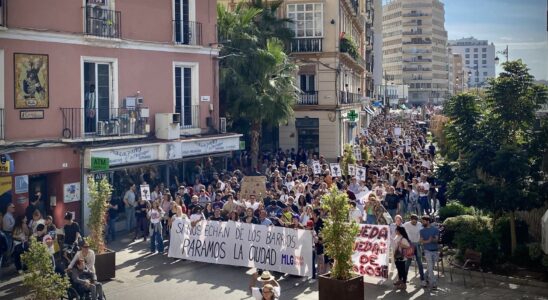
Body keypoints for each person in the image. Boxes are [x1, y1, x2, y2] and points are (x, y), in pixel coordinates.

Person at [403, 214, 426, 287]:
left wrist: (421, 241)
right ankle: (404, 279)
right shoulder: (406, 225)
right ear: (411, 220)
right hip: (410, 245)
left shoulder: (419, 224)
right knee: (408, 263)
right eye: (413, 221)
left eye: (415, 221)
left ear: (417, 220)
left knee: (420, 263)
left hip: (418, 245)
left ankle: (422, 280)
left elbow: (422, 233)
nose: (414, 222)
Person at [420, 215, 440, 290]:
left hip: (435, 251)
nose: (422, 222)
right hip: (427, 251)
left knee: (430, 268)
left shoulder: (435, 229)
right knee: (431, 268)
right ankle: (434, 284)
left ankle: (424, 279)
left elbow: (436, 240)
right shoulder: (422, 231)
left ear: (428, 221)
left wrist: (431, 240)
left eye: (423, 221)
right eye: (422, 221)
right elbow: (421, 241)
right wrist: (428, 240)